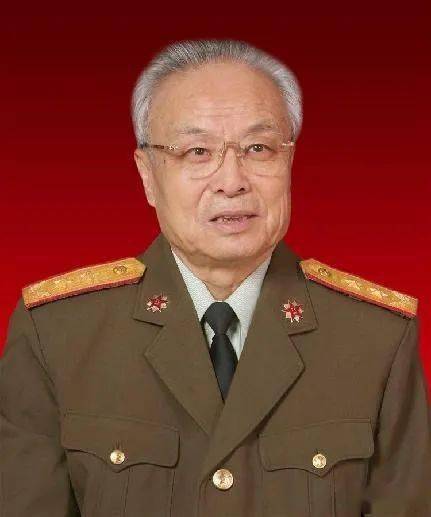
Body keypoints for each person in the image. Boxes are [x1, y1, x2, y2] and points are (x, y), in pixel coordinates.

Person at [1, 38, 430, 517]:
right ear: (147, 174)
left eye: (258, 148)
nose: (232, 181)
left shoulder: (376, 339)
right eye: (197, 151)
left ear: (289, 162)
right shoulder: (58, 335)